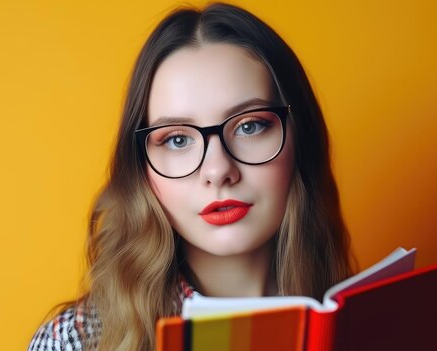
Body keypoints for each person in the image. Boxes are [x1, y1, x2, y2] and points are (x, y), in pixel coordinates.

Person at [28, 3, 355, 350]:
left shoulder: (363, 325)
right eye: (177, 139)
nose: (218, 171)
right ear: (141, 167)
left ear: (299, 138)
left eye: (249, 126)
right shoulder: (77, 343)